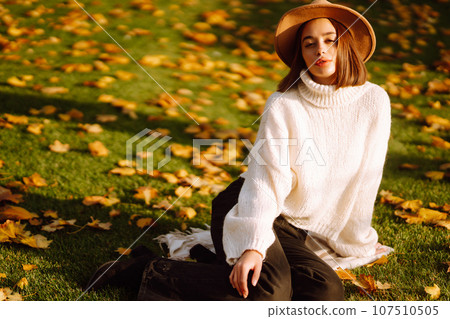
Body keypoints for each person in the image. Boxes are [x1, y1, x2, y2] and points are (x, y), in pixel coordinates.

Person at [85, 0, 391, 301]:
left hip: (299, 229)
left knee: (323, 292)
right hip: (251, 204)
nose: (320, 50)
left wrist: (356, 238)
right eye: (309, 44)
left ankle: (205, 260)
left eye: (330, 40)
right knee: (269, 292)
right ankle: (146, 272)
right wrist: (254, 245)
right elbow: (266, 181)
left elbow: (366, 180)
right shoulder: (284, 104)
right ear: (301, 54)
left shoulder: (374, 101)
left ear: (347, 45)